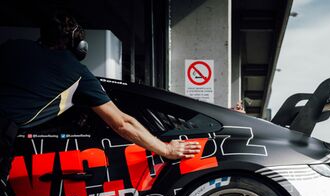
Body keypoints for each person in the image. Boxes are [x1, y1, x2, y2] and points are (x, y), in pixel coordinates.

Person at [0, 11, 200, 186]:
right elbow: (122, 123)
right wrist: (166, 149)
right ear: (79, 44)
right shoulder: (77, 74)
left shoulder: (12, 47)